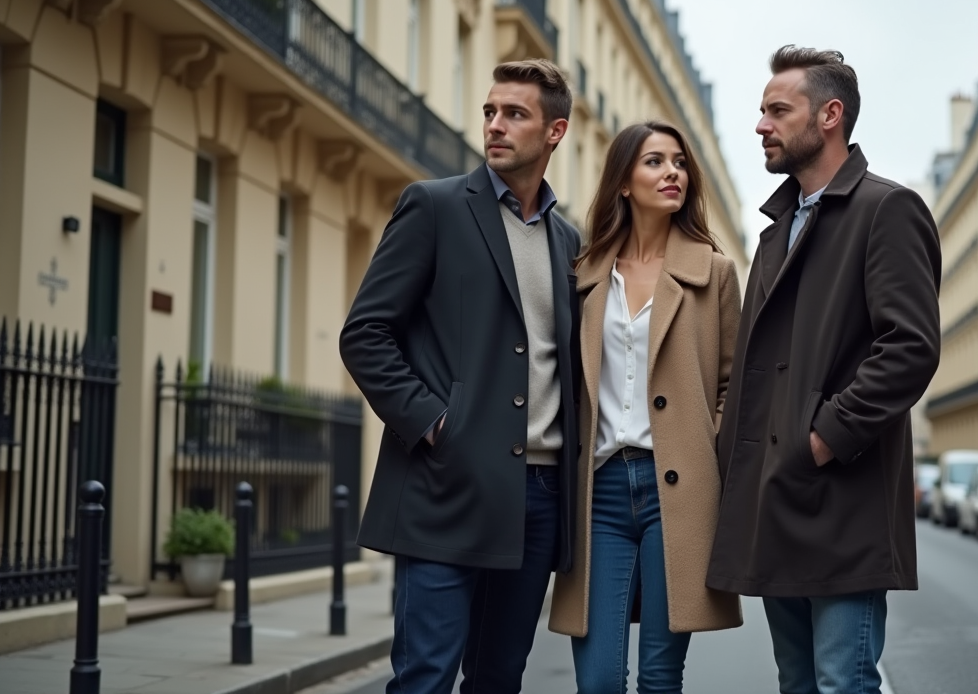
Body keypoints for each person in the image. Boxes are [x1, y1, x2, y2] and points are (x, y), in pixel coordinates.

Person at [340, 59, 582, 694]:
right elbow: (365, 333)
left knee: (499, 677)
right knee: (425, 676)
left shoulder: (567, 242)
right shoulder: (435, 206)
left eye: (515, 114)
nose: (495, 125)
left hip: (539, 495)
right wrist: (435, 424)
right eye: (490, 112)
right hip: (446, 483)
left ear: (554, 131)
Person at [706, 46, 942, 694]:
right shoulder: (776, 231)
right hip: (775, 499)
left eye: (778, 110)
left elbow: (911, 347)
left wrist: (823, 438)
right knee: (798, 684)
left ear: (829, 115)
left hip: (843, 500)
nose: (761, 125)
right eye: (762, 111)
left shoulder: (887, 208)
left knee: (844, 683)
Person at [549, 121, 742, 694]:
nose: (672, 173)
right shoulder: (584, 273)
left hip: (677, 489)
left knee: (660, 677)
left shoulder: (714, 273)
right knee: (599, 680)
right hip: (601, 490)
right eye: (655, 162)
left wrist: (707, 444)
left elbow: (733, 385)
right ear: (623, 182)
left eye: (679, 162)